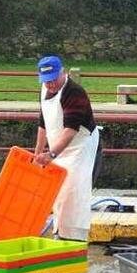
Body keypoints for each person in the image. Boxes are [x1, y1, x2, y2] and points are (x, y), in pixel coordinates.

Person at [33, 54, 100, 241]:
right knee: (59, 192)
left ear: (63, 72)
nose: (50, 84)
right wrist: (38, 152)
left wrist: (51, 154)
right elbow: (43, 122)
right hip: (59, 148)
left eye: (54, 79)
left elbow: (70, 130)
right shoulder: (44, 90)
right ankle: (60, 234)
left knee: (73, 192)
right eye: (46, 81)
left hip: (80, 147)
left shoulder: (74, 92)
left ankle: (75, 238)